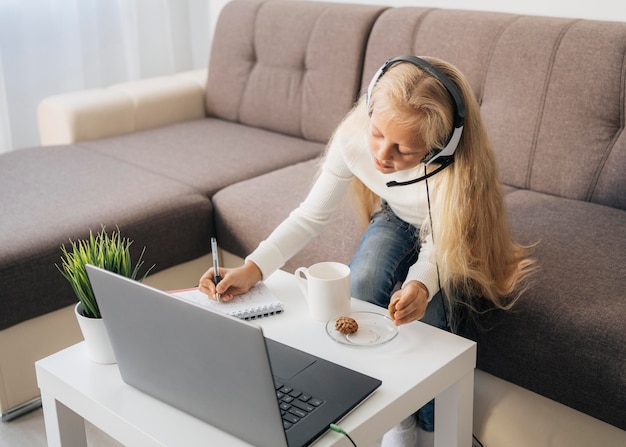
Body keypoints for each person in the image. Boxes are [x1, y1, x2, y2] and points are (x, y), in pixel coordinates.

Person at [199, 55, 535, 445]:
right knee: (361, 284)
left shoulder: (454, 173)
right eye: (378, 134)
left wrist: (421, 286)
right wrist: (253, 269)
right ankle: (398, 419)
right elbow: (310, 216)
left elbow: (442, 244)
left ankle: (431, 429)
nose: (382, 155)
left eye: (404, 150)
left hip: (453, 231)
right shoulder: (353, 137)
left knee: (431, 320)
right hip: (396, 214)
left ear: (439, 148)